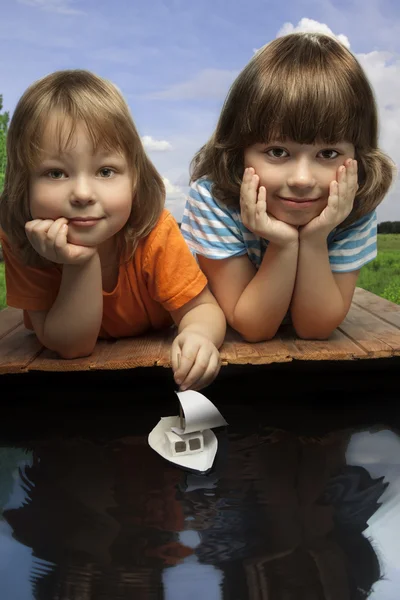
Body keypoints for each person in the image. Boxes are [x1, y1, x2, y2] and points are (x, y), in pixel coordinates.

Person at [0, 70, 226, 391]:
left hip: (154, 377)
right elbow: (71, 347)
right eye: (55, 173)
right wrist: (81, 262)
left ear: (135, 179)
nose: (82, 193)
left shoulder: (154, 233)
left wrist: (197, 335)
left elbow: (203, 308)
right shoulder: (23, 239)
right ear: (24, 183)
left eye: (106, 171)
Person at [181, 33, 395, 341]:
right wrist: (282, 243)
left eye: (328, 153)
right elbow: (253, 326)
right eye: (278, 152)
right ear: (238, 151)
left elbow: (315, 328)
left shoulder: (352, 204)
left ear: (357, 156)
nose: (302, 180)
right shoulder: (215, 200)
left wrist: (314, 238)